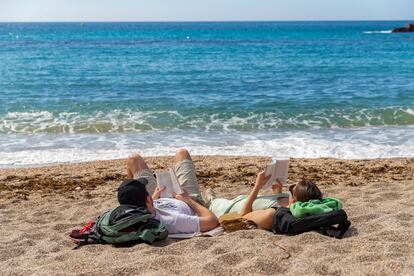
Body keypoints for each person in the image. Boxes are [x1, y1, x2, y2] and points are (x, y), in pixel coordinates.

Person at [126, 148, 219, 234]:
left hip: (154, 201)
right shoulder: (174, 220)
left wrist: (153, 199)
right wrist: (188, 200)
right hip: (187, 200)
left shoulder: (129, 214)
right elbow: (212, 221)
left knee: (133, 159)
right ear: (146, 200)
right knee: (182, 153)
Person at [208, 171, 341, 231]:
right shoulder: (289, 204)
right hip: (234, 200)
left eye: (291, 189)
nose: (289, 190)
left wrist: (257, 186)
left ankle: (209, 197)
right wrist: (277, 192)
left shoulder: (273, 214)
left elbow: (242, 217)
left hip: (220, 207)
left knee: (185, 154)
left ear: (294, 200)